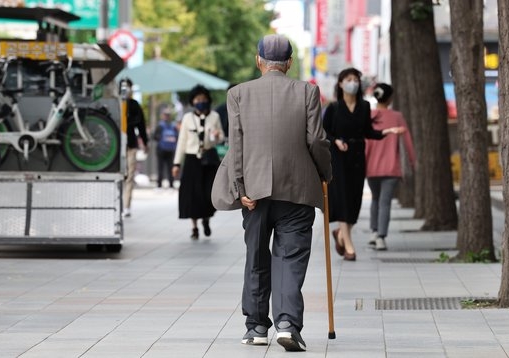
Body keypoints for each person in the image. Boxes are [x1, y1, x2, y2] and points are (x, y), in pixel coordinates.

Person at [211, 34, 332, 352]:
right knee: (290, 258)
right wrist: (325, 174)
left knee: (256, 257)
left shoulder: (238, 94)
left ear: (258, 61)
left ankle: (255, 328)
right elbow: (317, 141)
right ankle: (288, 324)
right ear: (290, 62)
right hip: (298, 189)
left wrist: (239, 188)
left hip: (254, 191)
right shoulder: (307, 91)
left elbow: (236, 145)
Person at [323, 68, 404, 261]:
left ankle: (341, 234)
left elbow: (368, 132)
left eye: (356, 79)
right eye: (348, 79)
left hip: (358, 158)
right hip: (339, 158)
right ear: (341, 83)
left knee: (354, 200)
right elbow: (324, 132)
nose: (353, 82)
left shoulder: (365, 107)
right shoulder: (334, 108)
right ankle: (349, 246)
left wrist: (387, 131)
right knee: (342, 198)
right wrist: (335, 141)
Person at [366, 83, 416, 250]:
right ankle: (381, 236)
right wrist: (412, 161)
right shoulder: (397, 117)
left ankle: (373, 232)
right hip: (392, 167)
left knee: (375, 199)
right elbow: (407, 142)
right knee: (385, 202)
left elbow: (365, 143)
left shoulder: (369, 116)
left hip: (371, 167)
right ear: (389, 98)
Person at [172, 85, 224, 239]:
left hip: (209, 159)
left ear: (208, 100)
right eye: (197, 99)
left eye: (203, 99)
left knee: (208, 193)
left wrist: (216, 135)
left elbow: (220, 137)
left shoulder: (214, 116)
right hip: (191, 160)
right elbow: (182, 142)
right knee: (192, 195)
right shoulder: (187, 118)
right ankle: (194, 227)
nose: (201, 102)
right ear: (192, 101)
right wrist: (176, 164)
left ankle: (206, 219)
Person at [122, 78, 149, 218]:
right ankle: (118, 204)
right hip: (116, 147)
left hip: (131, 145)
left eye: (128, 87)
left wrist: (145, 142)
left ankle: (126, 206)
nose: (126, 89)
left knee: (129, 176)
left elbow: (141, 125)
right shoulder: (115, 104)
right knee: (120, 176)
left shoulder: (134, 105)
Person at [153, 107, 178, 188]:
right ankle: (159, 184)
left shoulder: (173, 126)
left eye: (168, 115)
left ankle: (171, 183)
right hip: (161, 150)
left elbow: (177, 137)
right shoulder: (160, 126)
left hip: (170, 150)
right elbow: (154, 137)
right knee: (160, 168)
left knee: (170, 167)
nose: (166, 116)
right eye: (165, 115)